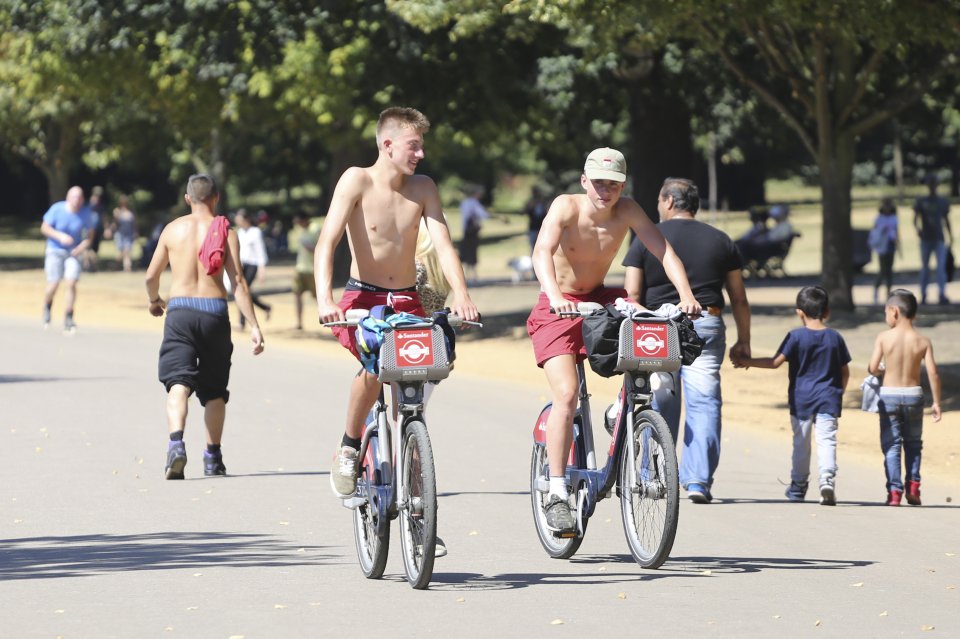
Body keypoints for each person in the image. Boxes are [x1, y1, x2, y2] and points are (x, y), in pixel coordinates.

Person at [527, 148, 700, 532]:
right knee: (567, 395)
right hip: (558, 308)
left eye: (614, 184)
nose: (605, 191)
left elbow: (663, 250)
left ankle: (622, 411)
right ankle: (557, 491)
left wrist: (685, 294)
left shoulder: (628, 210)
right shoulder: (566, 206)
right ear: (584, 180)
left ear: (623, 185)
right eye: (599, 182)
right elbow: (542, 251)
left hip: (601, 300)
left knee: (651, 356)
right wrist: (554, 295)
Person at [315, 106, 479, 504]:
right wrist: (324, 299)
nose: (420, 154)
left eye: (421, 146)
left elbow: (443, 243)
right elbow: (327, 243)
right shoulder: (357, 180)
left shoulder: (423, 188)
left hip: (407, 300)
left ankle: (418, 509)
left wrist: (461, 292)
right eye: (414, 145)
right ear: (387, 145)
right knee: (375, 365)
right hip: (363, 298)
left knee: (414, 394)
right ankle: (350, 446)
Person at [623, 177, 751, 504]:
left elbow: (632, 294)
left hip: (656, 329)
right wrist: (744, 341)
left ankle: (653, 477)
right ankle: (698, 482)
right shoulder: (721, 240)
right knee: (705, 402)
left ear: (668, 201)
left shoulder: (645, 239)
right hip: (705, 322)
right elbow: (738, 298)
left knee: (659, 398)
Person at [145, 174, 265, 480]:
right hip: (214, 311)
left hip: (180, 310)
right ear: (217, 197)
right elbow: (237, 283)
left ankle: (176, 445)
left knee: (177, 383)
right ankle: (213, 458)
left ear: (187, 199)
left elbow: (150, 277)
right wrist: (253, 324)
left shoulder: (173, 230)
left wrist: (154, 301)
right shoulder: (227, 232)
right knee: (214, 392)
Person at [731, 286, 850, 506]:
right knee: (827, 441)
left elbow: (775, 362)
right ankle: (827, 480)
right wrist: (838, 392)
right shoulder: (835, 338)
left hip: (801, 399)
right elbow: (845, 372)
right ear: (827, 312)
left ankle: (798, 486)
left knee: (801, 443)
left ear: (799, 312)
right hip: (828, 399)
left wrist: (748, 362)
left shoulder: (795, 337)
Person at [867, 289, 942, 506]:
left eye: (886, 313)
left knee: (891, 445)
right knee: (913, 443)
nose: (886, 317)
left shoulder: (883, 337)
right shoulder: (923, 341)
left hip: (889, 395)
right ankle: (913, 486)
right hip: (913, 395)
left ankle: (894, 492)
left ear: (895, 311)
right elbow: (933, 373)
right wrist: (936, 402)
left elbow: (872, 368)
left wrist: (881, 370)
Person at [40, 186, 96, 332]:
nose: (77, 201)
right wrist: (60, 236)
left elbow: (90, 237)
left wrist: (81, 247)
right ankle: (47, 305)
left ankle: (69, 316)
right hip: (55, 250)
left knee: (71, 283)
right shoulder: (57, 209)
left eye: (79, 198)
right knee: (54, 283)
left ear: (82, 199)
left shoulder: (85, 213)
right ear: (68, 198)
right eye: (74, 197)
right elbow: (44, 228)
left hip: (73, 252)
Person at [913, 175, 953, 305]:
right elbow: (915, 219)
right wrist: (918, 229)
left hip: (939, 238)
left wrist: (950, 235)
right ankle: (923, 294)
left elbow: (946, 220)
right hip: (926, 239)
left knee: (941, 268)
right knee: (925, 268)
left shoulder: (942, 202)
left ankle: (942, 293)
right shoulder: (921, 201)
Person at [235, 209, 272, 327]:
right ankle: (265, 307)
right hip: (242, 265)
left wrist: (262, 269)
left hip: (253, 265)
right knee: (244, 291)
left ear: (246, 219)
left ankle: (242, 322)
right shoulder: (240, 232)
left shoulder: (255, 232)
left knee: (243, 291)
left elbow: (260, 251)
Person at [290, 211, 323, 330]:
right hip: (300, 268)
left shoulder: (315, 229)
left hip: (312, 269)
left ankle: (325, 318)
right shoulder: (301, 230)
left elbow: (322, 248)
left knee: (318, 297)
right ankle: (299, 322)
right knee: (297, 294)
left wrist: (310, 248)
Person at [869, 197, 901, 304]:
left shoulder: (894, 218)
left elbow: (896, 232)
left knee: (890, 271)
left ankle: (888, 293)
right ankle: (876, 289)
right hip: (882, 246)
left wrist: (899, 246)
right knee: (883, 270)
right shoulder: (879, 218)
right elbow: (875, 233)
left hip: (891, 245)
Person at [458, 184, 490, 283]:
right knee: (472, 253)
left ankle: (467, 275)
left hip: (466, 231)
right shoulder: (474, 203)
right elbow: (483, 214)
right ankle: (473, 276)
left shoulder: (464, 203)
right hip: (472, 232)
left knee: (466, 252)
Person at [111, 195, 138, 273]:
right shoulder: (117, 211)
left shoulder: (131, 212)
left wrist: (136, 232)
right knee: (121, 252)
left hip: (129, 234)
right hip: (120, 234)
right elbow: (115, 223)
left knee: (127, 250)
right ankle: (117, 266)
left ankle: (127, 267)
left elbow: (134, 224)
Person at [523, 186, 549, 251]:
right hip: (536, 228)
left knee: (539, 248)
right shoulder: (533, 202)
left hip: (538, 228)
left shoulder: (540, 202)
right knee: (536, 248)